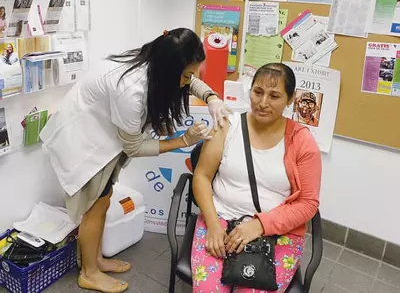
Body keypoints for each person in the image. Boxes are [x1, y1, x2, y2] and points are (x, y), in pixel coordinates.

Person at [39, 28, 231, 293]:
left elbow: (189, 78)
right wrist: (183, 141)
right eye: (187, 75)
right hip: (84, 144)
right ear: (170, 69)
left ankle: (95, 259)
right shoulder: (132, 89)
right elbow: (136, 146)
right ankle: (89, 273)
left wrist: (211, 98)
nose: (190, 80)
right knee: (94, 206)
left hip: (103, 140)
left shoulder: (155, 61)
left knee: (104, 200)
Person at [191, 63, 321, 292]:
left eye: (274, 96)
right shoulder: (226, 126)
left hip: (276, 232)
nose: (262, 103)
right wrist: (212, 224)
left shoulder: (302, 141)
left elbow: (308, 203)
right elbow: (201, 176)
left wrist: (261, 225)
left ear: (290, 99)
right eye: (257, 92)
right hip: (220, 220)